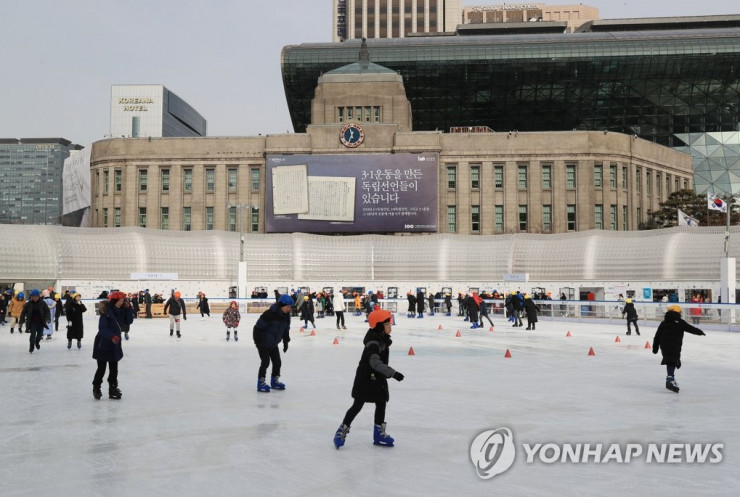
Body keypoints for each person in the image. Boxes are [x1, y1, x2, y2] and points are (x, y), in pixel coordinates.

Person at [333, 308, 404, 449]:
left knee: (381, 402)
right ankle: (341, 430)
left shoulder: (381, 339)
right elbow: (375, 362)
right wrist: (393, 373)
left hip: (377, 378)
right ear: (379, 326)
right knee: (358, 404)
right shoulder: (373, 343)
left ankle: (378, 433)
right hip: (365, 378)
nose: (391, 328)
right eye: (388, 325)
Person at [652, 304, 705, 393]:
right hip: (675, 344)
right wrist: (700, 332)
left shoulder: (663, 323)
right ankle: (670, 379)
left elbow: (657, 336)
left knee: (669, 359)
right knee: (673, 360)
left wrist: (655, 347)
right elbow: (691, 329)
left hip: (664, 344)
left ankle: (670, 377)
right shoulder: (680, 322)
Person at [92, 291, 134, 399]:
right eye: (119, 301)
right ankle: (96, 388)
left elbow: (128, 321)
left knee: (114, 368)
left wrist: (128, 308)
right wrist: (112, 336)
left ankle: (113, 389)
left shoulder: (121, 311)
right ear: (114, 301)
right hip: (104, 343)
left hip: (114, 343)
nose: (121, 303)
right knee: (101, 368)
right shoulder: (106, 312)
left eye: (122, 301)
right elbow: (102, 329)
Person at [253, 294, 292, 392]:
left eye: (290, 306)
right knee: (265, 361)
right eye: (287, 306)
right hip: (263, 342)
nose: (289, 309)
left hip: (273, 343)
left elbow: (286, 329)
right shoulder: (269, 314)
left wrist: (286, 341)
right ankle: (260, 383)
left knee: (277, 362)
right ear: (281, 305)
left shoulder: (286, 316)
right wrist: (258, 342)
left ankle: (274, 381)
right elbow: (257, 328)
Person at [19, 289, 51, 353]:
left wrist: (48, 318)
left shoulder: (42, 303)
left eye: (36, 296)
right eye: (33, 297)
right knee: (32, 335)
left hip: (41, 322)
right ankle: (31, 346)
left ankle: (37, 342)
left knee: (40, 335)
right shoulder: (28, 304)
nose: (35, 298)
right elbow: (23, 313)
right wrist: (21, 321)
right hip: (32, 322)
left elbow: (47, 311)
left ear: (39, 296)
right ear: (31, 297)